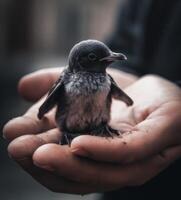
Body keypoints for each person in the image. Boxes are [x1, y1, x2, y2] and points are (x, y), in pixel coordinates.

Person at [3, 0, 181, 199]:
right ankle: (71, 132)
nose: (112, 57)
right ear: (81, 61)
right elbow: (128, 46)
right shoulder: (69, 79)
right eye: (96, 57)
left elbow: (119, 76)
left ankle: (99, 126)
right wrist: (44, 110)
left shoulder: (105, 79)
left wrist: (176, 91)